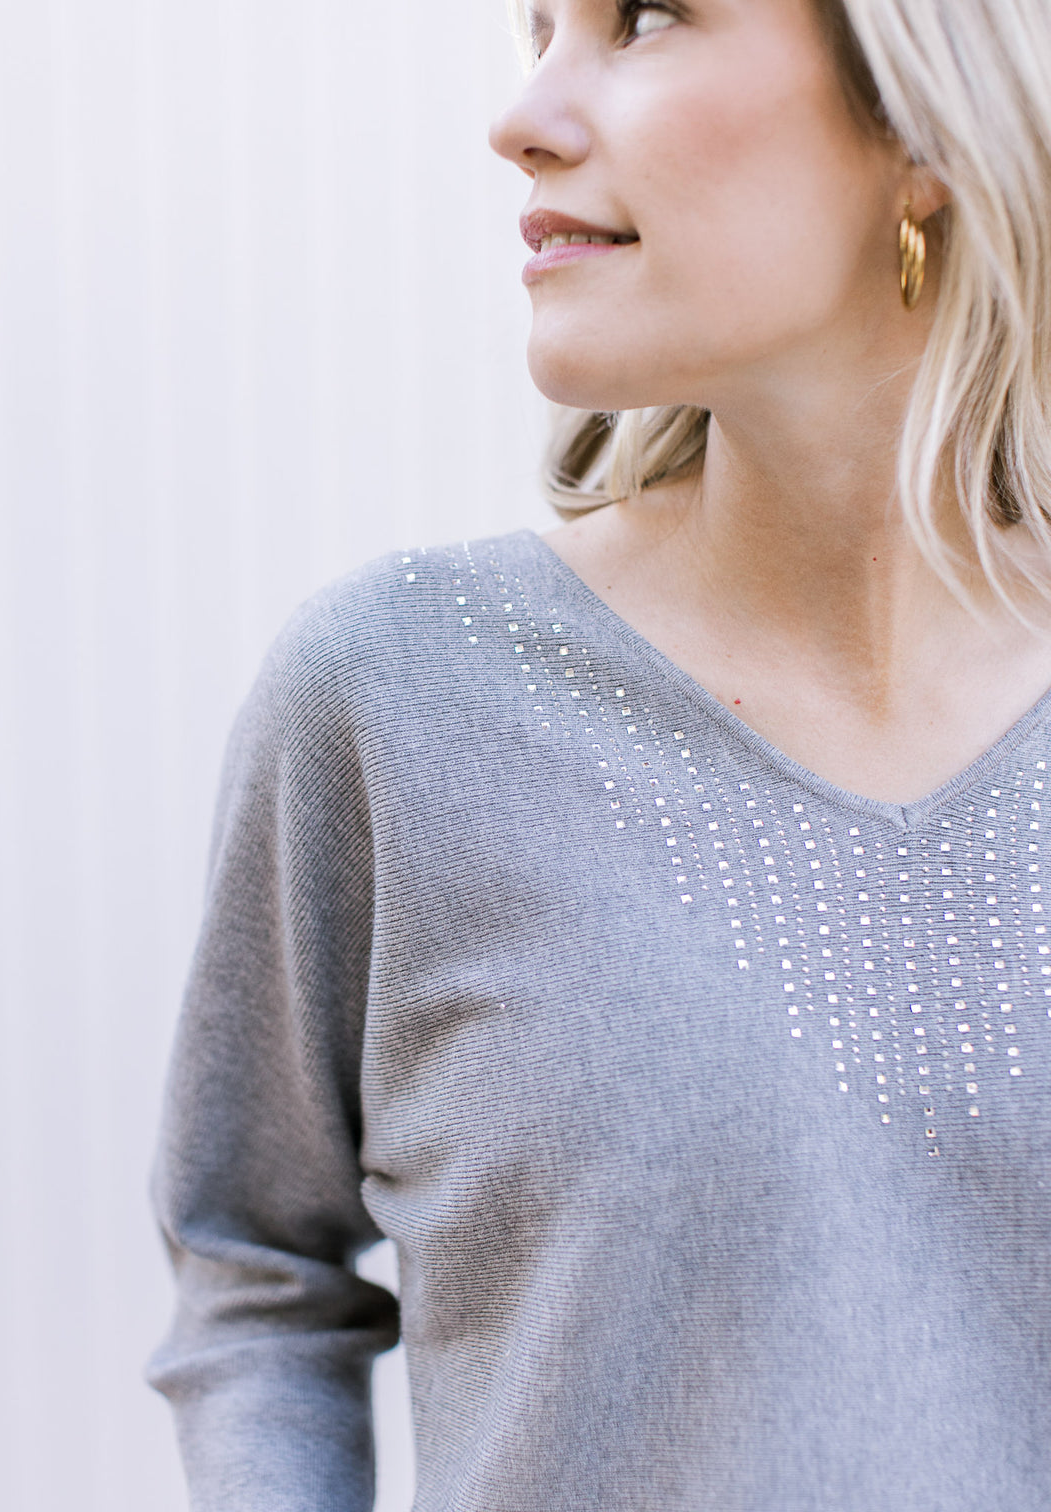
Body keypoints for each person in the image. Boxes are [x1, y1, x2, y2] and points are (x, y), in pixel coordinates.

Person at [148, 1, 1051, 1507]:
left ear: (919, 122)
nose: (525, 117)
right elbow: (252, 1272)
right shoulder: (398, 695)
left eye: (640, 19)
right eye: (540, 29)